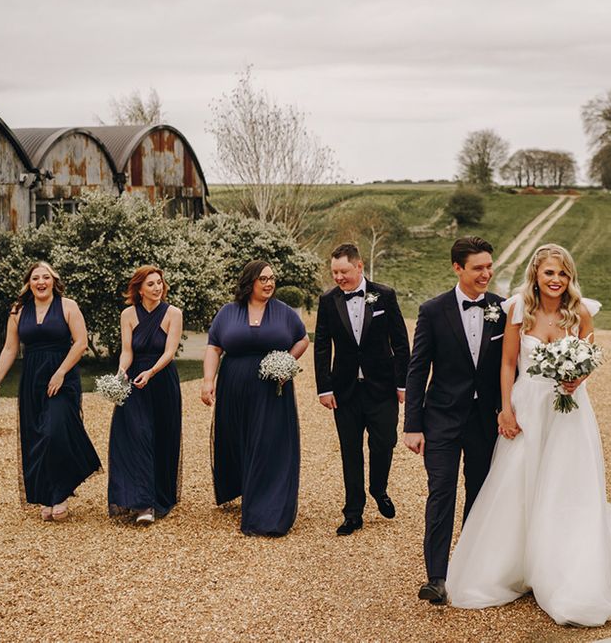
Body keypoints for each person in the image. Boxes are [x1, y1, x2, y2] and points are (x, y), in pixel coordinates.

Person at [446, 243, 611, 627]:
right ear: (536, 273)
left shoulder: (581, 312)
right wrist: (505, 408)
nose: (556, 280)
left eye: (563, 273)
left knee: (566, 486)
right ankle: (515, 564)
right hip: (528, 407)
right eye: (550, 272)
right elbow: (507, 363)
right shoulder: (518, 308)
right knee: (518, 482)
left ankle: (563, 567)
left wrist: (578, 377)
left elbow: (590, 357)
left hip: (570, 413)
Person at [404, 236, 505, 604]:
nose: (486, 273)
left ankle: (471, 567)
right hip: (441, 419)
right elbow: (417, 371)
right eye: (478, 267)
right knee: (442, 491)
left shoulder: (503, 309)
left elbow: (513, 365)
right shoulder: (432, 311)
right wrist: (412, 425)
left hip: (485, 422)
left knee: (479, 495)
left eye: (489, 266)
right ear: (457, 268)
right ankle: (437, 577)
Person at [0, 261, 101, 521]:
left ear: (53, 280)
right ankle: (47, 495)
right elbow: (10, 350)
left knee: (54, 432)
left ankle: (60, 494)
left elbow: (80, 343)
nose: (41, 282)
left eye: (45, 277)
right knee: (36, 436)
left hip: (62, 377)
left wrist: (60, 372)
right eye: (35, 278)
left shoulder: (68, 306)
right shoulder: (18, 311)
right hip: (32, 380)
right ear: (29, 283)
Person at [201, 261, 309, 536]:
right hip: (234, 389)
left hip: (272, 390)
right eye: (263, 278)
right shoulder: (228, 312)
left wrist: (286, 361)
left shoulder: (284, 312)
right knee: (237, 439)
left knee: (268, 442)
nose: (269, 283)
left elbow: (302, 339)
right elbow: (214, 347)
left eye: (272, 278)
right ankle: (243, 487)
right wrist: (207, 381)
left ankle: (267, 509)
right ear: (250, 282)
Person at [314, 243, 410, 535]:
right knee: (350, 450)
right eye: (334, 272)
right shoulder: (328, 300)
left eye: (343, 271)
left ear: (359, 267)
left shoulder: (385, 295)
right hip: (345, 390)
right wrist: (324, 388)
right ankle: (353, 512)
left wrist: (402, 383)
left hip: (381, 387)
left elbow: (401, 343)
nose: (339, 278)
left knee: (384, 443)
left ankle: (378, 489)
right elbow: (321, 346)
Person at [108, 266, 183, 525]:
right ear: (139, 289)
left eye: (159, 282)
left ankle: (159, 495)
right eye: (150, 284)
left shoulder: (173, 314)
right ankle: (142, 502)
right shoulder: (128, 314)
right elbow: (127, 350)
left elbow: (169, 352)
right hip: (134, 382)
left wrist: (150, 372)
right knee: (135, 437)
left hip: (161, 380)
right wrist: (121, 373)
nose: (157, 287)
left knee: (161, 437)